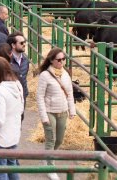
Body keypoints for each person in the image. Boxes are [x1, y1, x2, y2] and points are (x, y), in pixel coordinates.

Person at [37, 47, 76, 180]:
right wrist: (43, 116)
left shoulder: (66, 74)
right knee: (51, 139)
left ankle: (47, 157)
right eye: (58, 60)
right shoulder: (44, 75)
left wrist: (72, 110)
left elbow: (70, 93)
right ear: (51, 60)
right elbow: (40, 96)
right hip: (49, 111)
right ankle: (51, 167)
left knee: (59, 140)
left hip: (62, 111)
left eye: (63, 59)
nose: (61, 62)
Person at [7, 31, 29, 119]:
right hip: (10, 96)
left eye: (25, 42)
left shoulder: (25, 60)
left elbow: (24, 77)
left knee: (20, 119)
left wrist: (25, 93)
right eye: (21, 43)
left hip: (22, 95)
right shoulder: (7, 60)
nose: (24, 45)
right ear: (13, 45)